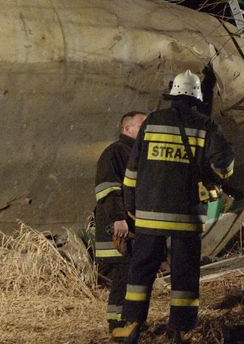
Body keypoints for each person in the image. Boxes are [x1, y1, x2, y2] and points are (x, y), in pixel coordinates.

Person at [112, 70, 236, 344]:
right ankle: (179, 330)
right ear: (196, 98)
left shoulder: (152, 122)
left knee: (141, 272)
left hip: (149, 214)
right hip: (186, 217)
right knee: (185, 275)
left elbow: (132, 169)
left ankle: (131, 326)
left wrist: (130, 206)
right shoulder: (207, 126)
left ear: (173, 94)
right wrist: (214, 175)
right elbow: (224, 165)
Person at [94, 111, 146, 333]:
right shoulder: (115, 152)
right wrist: (119, 219)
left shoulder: (136, 153)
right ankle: (117, 324)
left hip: (133, 228)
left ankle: (130, 321)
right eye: (142, 125)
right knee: (123, 279)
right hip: (120, 229)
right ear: (127, 129)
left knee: (132, 278)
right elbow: (108, 188)